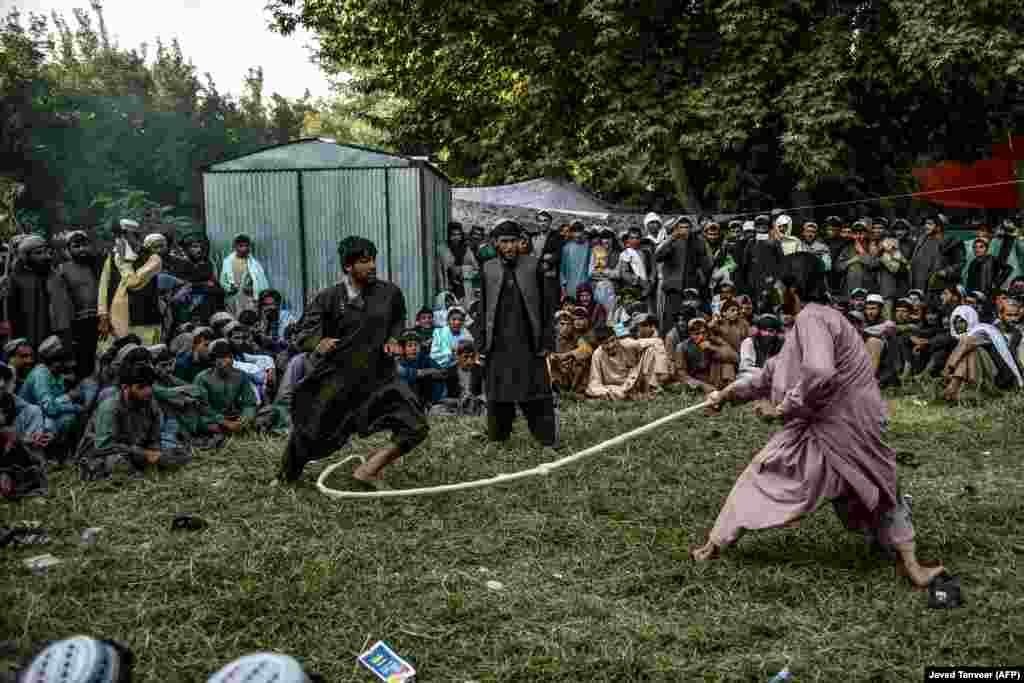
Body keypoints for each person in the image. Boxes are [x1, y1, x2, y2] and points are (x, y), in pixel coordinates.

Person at [693, 253, 946, 589]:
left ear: (793, 288)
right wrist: (726, 395)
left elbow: (820, 372)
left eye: (780, 286)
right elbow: (770, 373)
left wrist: (782, 409)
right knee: (877, 490)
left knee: (869, 488)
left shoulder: (813, 319)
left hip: (846, 426)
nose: (776, 293)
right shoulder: (814, 321)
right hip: (833, 424)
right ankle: (908, 563)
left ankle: (714, 545)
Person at [279, 236, 428, 486]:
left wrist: (393, 338)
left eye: (373, 260)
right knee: (310, 432)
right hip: (339, 380)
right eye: (364, 261)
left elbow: (398, 318)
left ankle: (368, 470)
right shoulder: (328, 297)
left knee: (415, 426)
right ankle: (286, 477)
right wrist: (317, 343)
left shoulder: (389, 293)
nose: (372, 266)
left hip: (380, 378)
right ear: (348, 266)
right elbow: (303, 332)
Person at [477, 220, 559, 447]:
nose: (510, 247)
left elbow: (546, 306)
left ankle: (546, 438)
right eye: (504, 242)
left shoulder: (533, 266)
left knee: (536, 391)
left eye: (513, 241)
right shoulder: (488, 268)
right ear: (496, 243)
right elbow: (482, 308)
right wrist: (481, 342)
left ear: (521, 242)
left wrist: (547, 340)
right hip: (498, 342)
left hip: (529, 341)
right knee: (498, 392)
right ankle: (498, 437)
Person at [79, 361, 190, 480]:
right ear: (125, 387)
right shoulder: (110, 408)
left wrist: (155, 452)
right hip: (108, 454)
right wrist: (145, 454)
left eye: (149, 385)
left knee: (178, 454)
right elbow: (104, 446)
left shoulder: (150, 403)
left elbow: (154, 437)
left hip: (139, 451)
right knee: (117, 462)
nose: (147, 391)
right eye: (141, 387)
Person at [941, 305, 1023, 402]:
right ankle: (957, 387)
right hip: (990, 372)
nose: (1013, 319)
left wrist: (948, 370)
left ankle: (955, 386)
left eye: (1015, 315)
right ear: (1000, 315)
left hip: (1005, 376)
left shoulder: (1017, 333)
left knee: (973, 349)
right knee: (973, 350)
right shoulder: (990, 329)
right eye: (1009, 315)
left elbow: (1015, 359)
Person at [97, 226, 165, 344]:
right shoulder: (113, 257)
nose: (119, 240)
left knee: (143, 356)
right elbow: (103, 287)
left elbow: (133, 282)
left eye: (124, 236)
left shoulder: (153, 259)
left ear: (135, 237)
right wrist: (103, 315)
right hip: (116, 321)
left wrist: (124, 262)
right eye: (118, 237)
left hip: (144, 322)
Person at [50, 230, 101, 377]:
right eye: (76, 246)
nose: (82, 249)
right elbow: (60, 305)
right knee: (82, 362)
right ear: (68, 249)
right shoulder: (62, 270)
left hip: (100, 320)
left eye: (85, 245)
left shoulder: (96, 266)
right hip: (77, 324)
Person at [585, 321, 673, 400]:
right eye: (606, 343)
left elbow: (658, 341)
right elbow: (594, 383)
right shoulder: (597, 354)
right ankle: (631, 395)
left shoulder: (626, 343)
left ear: (616, 338)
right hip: (617, 388)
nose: (611, 345)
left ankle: (651, 390)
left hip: (635, 379)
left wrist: (662, 370)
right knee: (596, 390)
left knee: (651, 350)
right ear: (600, 344)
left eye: (612, 340)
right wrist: (606, 392)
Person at [655, 217, 712, 335]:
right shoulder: (671, 240)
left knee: (690, 317)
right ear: (676, 228)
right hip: (673, 288)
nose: (684, 230)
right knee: (671, 320)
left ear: (691, 229)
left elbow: (706, 263)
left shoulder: (697, 241)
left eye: (687, 227)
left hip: (691, 288)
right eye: (681, 227)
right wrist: (672, 238)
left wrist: (701, 276)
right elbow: (658, 256)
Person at [194, 339, 258, 436]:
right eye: (222, 357)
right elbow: (203, 408)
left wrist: (244, 419)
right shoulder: (202, 378)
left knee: (262, 417)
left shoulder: (241, 376)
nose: (228, 360)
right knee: (205, 425)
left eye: (230, 357)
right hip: (213, 420)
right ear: (214, 360)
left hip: (234, 417)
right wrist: (225, 422)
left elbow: (250, 403)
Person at [8, 234, 55, 346]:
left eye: (45, 252)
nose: (45, 256)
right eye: (38, 253)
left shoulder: (52, 275)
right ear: (26, 256)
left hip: (48, 335)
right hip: (24, 336)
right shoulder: (14, 278)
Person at [220, 234, 270, 315]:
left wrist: (253, 289)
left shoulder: (254, 264)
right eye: (241, 246)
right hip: (232, 298)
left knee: (249, 319)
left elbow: (261, 283)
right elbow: (222, 281)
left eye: (246, 246)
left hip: (248, 298)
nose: (244, 248)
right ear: (235, 247)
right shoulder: (227, 262)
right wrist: (229, 287)